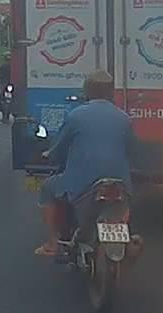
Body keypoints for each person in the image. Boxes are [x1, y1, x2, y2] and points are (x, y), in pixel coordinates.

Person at [35, 70, 133, 257]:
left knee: (47, 188)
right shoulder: (124, 118)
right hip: (119, 183)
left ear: (87, 91)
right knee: (124, 206)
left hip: (83, 185)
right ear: (111, 92)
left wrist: (49, 155)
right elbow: (132, 150)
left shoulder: (75, 116)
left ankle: (53, 243)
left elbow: (59, 148)